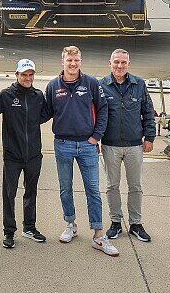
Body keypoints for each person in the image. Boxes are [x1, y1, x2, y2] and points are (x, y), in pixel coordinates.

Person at [43, 45, 117, 257]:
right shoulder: (53, 86)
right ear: (63, 61)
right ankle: (70, 224)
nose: (73, 64)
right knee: (65, 188)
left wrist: (96, 137)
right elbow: (45, 112)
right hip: (63, 144)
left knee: (93, 190)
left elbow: (103, 109)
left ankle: (98, 234)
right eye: (69, 61)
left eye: (76, 61)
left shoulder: (92, 83)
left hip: (87, 145)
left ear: (80, 62)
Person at [0, 58, 48, 249]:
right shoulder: (6, 95)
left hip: (33, 155)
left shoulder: (38, 96)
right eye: (24, 74)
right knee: (9, 193)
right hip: (12, 155)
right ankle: (9, 232)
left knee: (31, 192)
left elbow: (45, 114)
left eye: (31, 75)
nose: (28, 78)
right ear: (17, 75)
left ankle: (29, 227)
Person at [100, 49, 156, 243]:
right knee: (112, 186)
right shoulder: (101, 86)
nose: (120, 66)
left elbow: (148, 112)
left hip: (134, 145)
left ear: (129, 64)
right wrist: (95, 139)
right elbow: (96, 115)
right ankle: (115, 222)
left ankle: (136, 224)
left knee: (135, 186)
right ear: (110, 63)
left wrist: (150, 137)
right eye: (116, 62)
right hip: (110, 145)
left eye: (123, 62)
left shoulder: (139, 85)